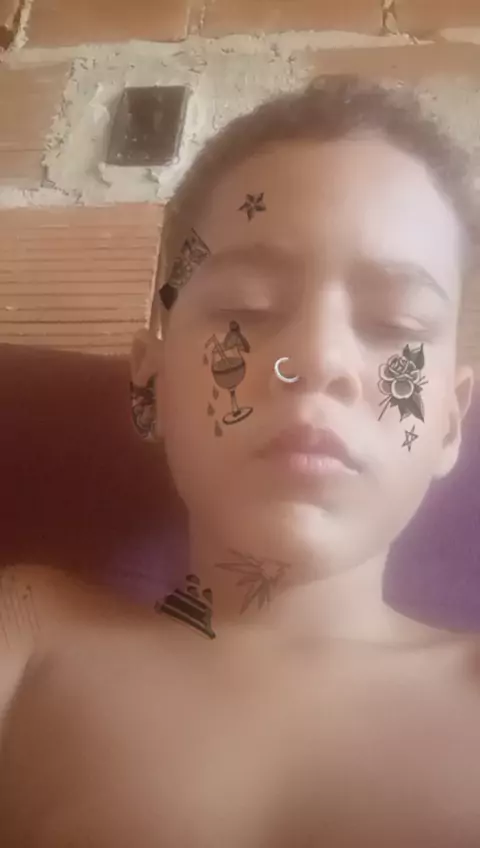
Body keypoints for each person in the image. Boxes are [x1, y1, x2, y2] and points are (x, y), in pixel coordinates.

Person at [1, 74, 479, 847]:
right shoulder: (30, 637)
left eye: (395, 323)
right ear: (151, 385)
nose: (318, 359)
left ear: (450, 422)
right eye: (248, 310)